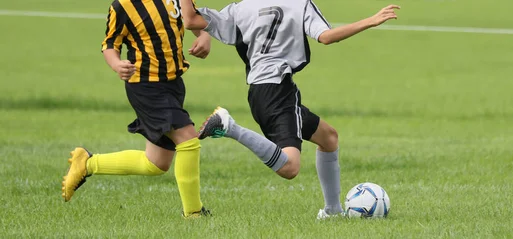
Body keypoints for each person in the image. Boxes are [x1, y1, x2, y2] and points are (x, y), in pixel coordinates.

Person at [180, 0, 399, 219]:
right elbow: (326, 36)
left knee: (329, 138)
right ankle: (230, 127)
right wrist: (370, 21)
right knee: (290, 167)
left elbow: (190, 20)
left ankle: (333, 211)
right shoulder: (299, 4)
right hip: (279, 91)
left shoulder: (242, 7)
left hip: (259, 92)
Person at [61, 0, 212, 218]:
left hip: (174, 84)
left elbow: (193, 20)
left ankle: (87, 163)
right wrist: (116, 64)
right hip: (145, 86)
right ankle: (194, 213)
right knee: (188, 138)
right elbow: (110, 44)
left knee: (156, 164)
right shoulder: (123, 5)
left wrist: (204, 36)